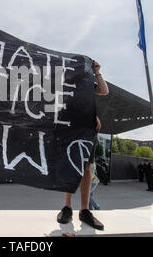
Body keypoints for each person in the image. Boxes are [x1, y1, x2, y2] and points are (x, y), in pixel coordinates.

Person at [56, 60, 108, 230]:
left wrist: (97, 72)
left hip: (87, 129)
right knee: (70, 166)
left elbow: (104, 91)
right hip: (68, 128)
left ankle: (84, 210)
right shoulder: (63, 82)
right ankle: (67, 207)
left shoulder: (87, 83)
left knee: (87, 167)